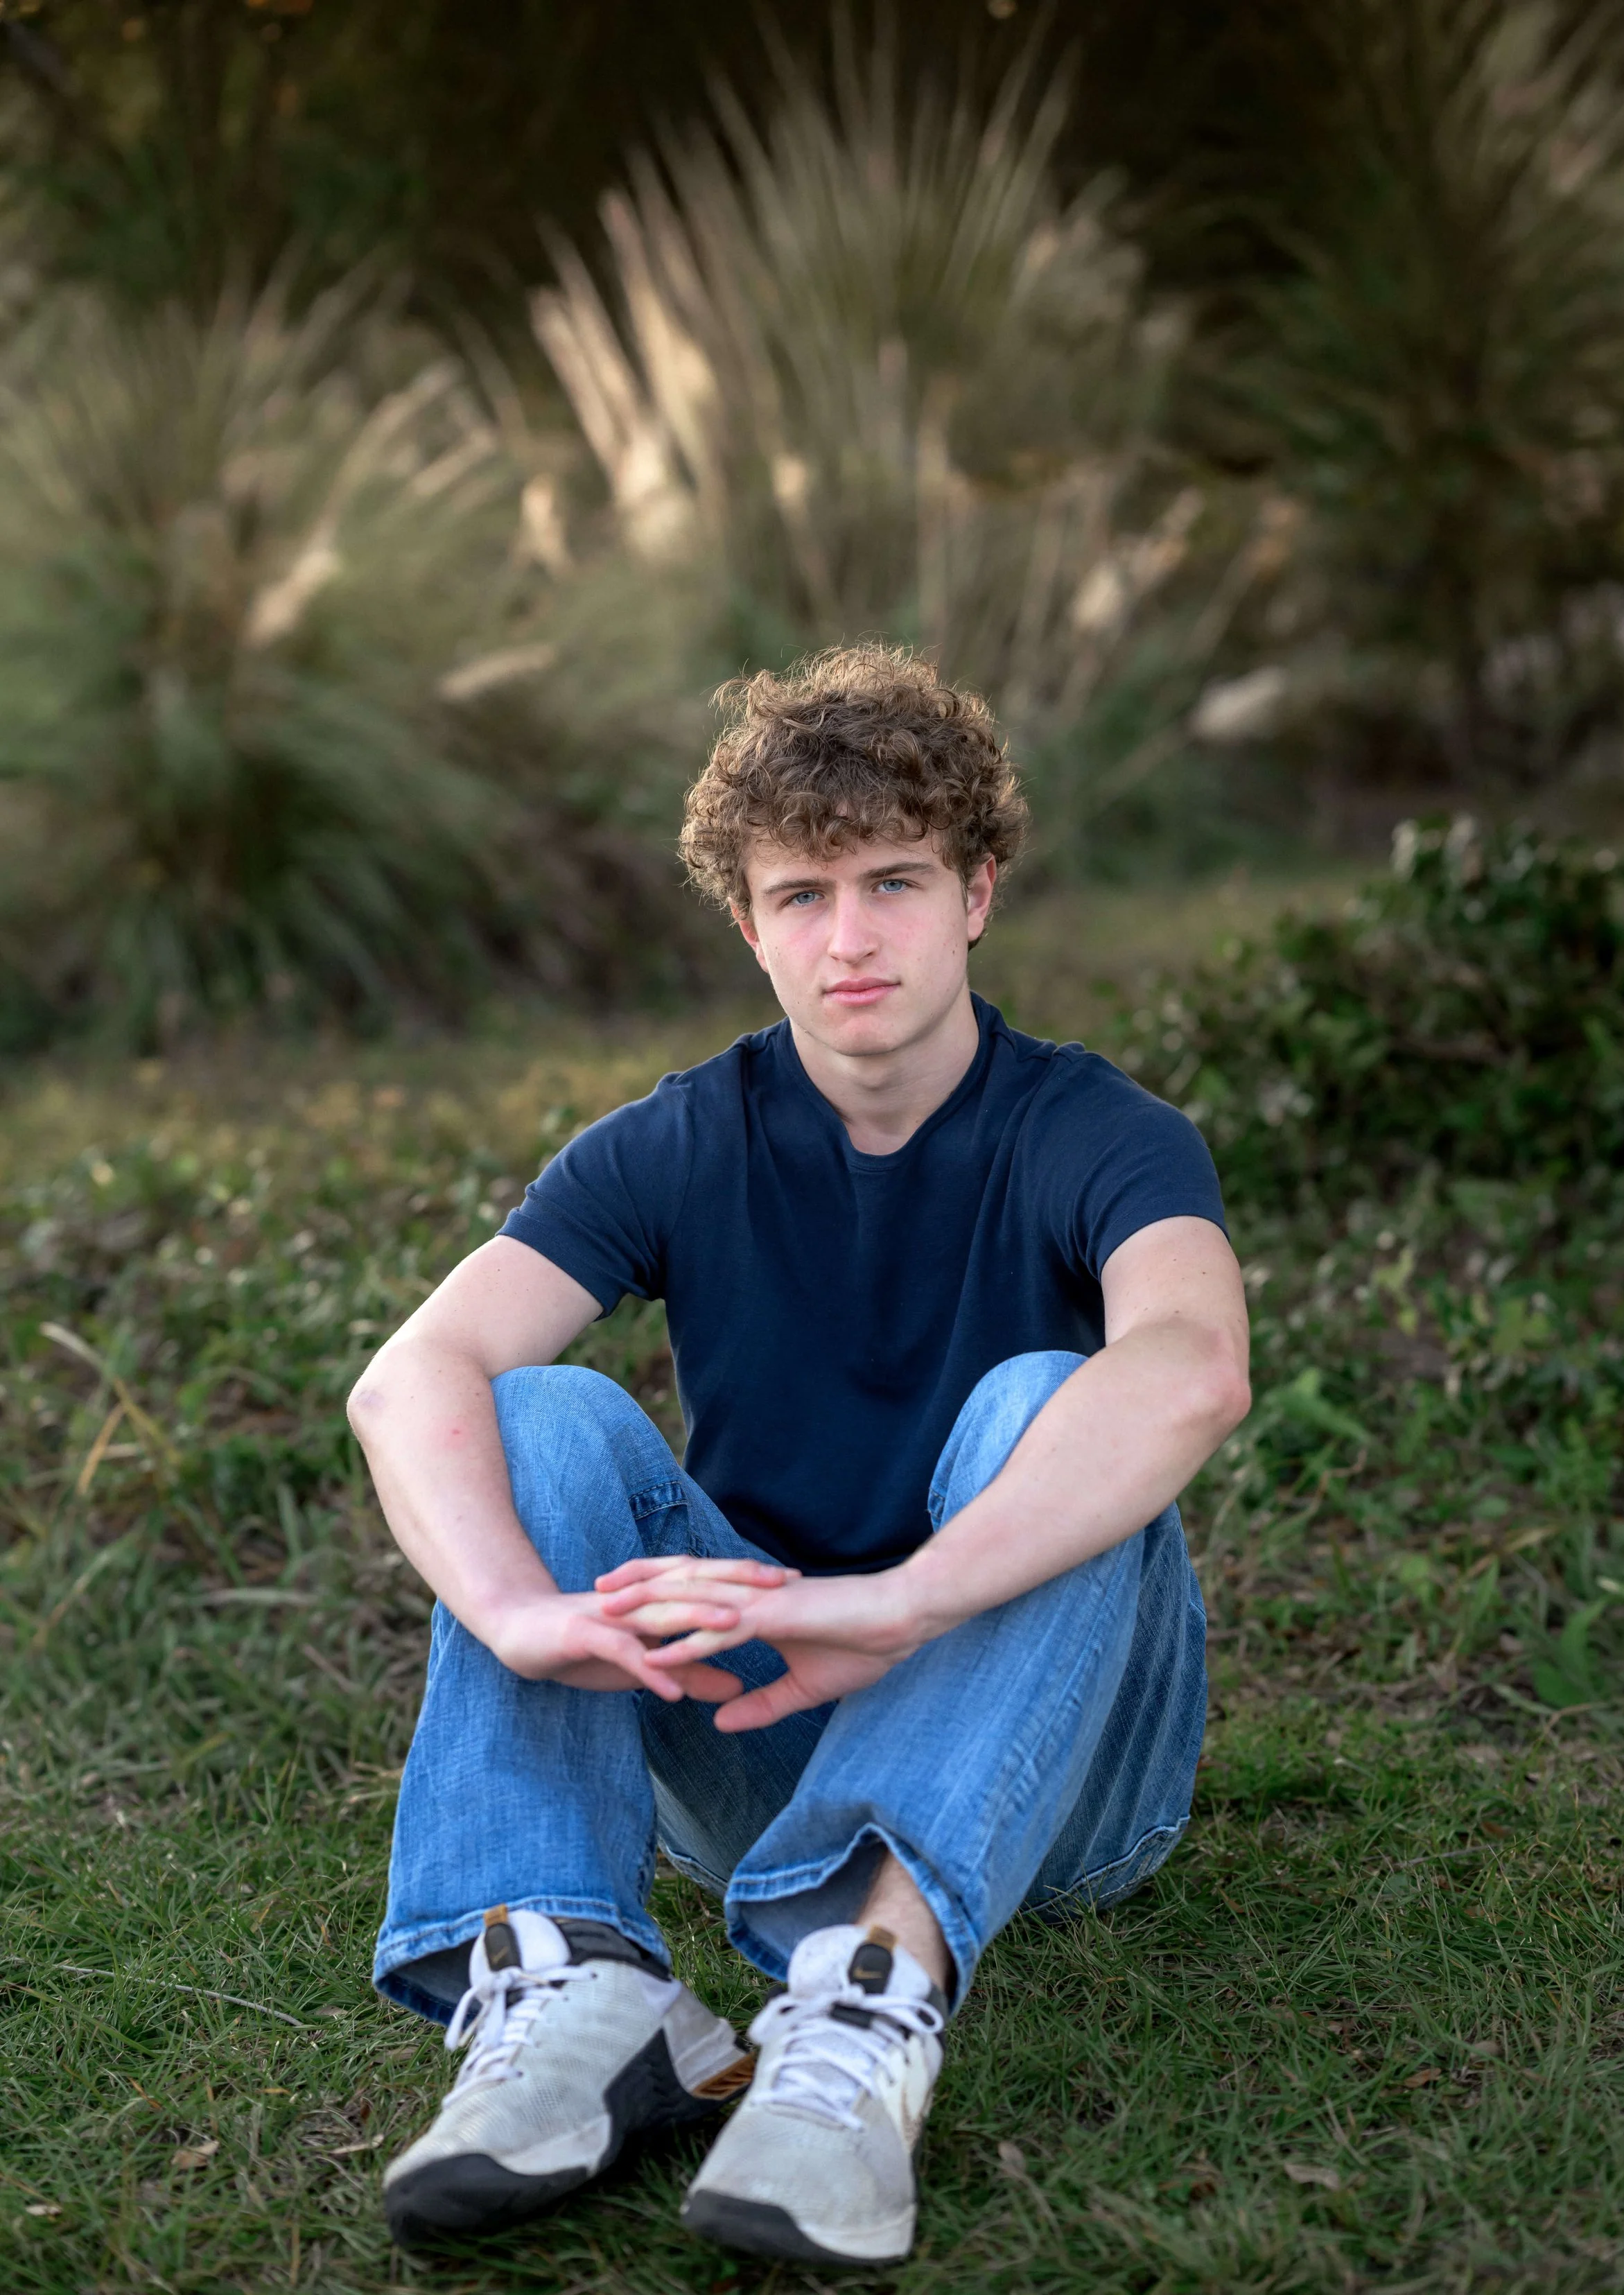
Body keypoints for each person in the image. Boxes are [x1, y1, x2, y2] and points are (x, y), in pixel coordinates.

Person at [349, 644, 1250, 2267]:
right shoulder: (680, 1135)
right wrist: (510, 1610)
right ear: (746, 919)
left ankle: (861, 2008)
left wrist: (907, 1599)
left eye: (893, 881)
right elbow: (414, 1371)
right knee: (537, 1408)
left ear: (976, 893)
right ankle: (570, 1978)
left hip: (1066, 1772)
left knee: (1058, 1394)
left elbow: (1188, 1365)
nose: (849, 938)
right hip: (765, 1742)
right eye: (801, 893)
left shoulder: (1100, 1131)